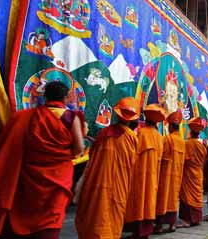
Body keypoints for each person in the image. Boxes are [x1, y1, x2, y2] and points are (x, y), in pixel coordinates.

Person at [0, 81, 86, 238]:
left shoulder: (26, 117)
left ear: (45, 97)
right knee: (51, 214)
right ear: (66, 98)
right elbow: (79, 148)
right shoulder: (70, 117)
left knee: (22, 209)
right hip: (58, 175)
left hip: (28, 175)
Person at [75, 97, 139, 239]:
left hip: (96, 183)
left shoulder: (104, 133)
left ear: (117, 114)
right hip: (119, 185)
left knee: (95, 214)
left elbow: (93, 155)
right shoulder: (131, 137)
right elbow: (133, 161)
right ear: (132, 119)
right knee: (113, 215)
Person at [124, 104, 165, 239]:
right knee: (149, 200)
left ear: (146, 120)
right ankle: (146, 231)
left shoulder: (141, 133)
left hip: (140, 174)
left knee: (139, 200)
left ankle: (138, 232)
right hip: (154, 174)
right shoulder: (160, 137)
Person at [155, 110, 185, 234]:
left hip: (166, 174)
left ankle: (160, 226)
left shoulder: (166, 139)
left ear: (172, 126)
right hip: (177, 174)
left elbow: (161, 156)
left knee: (163, 198)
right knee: (173, 199)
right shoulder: (182, 142)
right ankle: (172, 225)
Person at [178, 117, 206, 228]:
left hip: (189, 173)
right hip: (198, 172)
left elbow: (184, 158)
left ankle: (188, 220)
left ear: (190, 132)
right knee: (196, 194)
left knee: (188, 196)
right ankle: (196, 218)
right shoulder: (202, 145)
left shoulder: (188, 144)